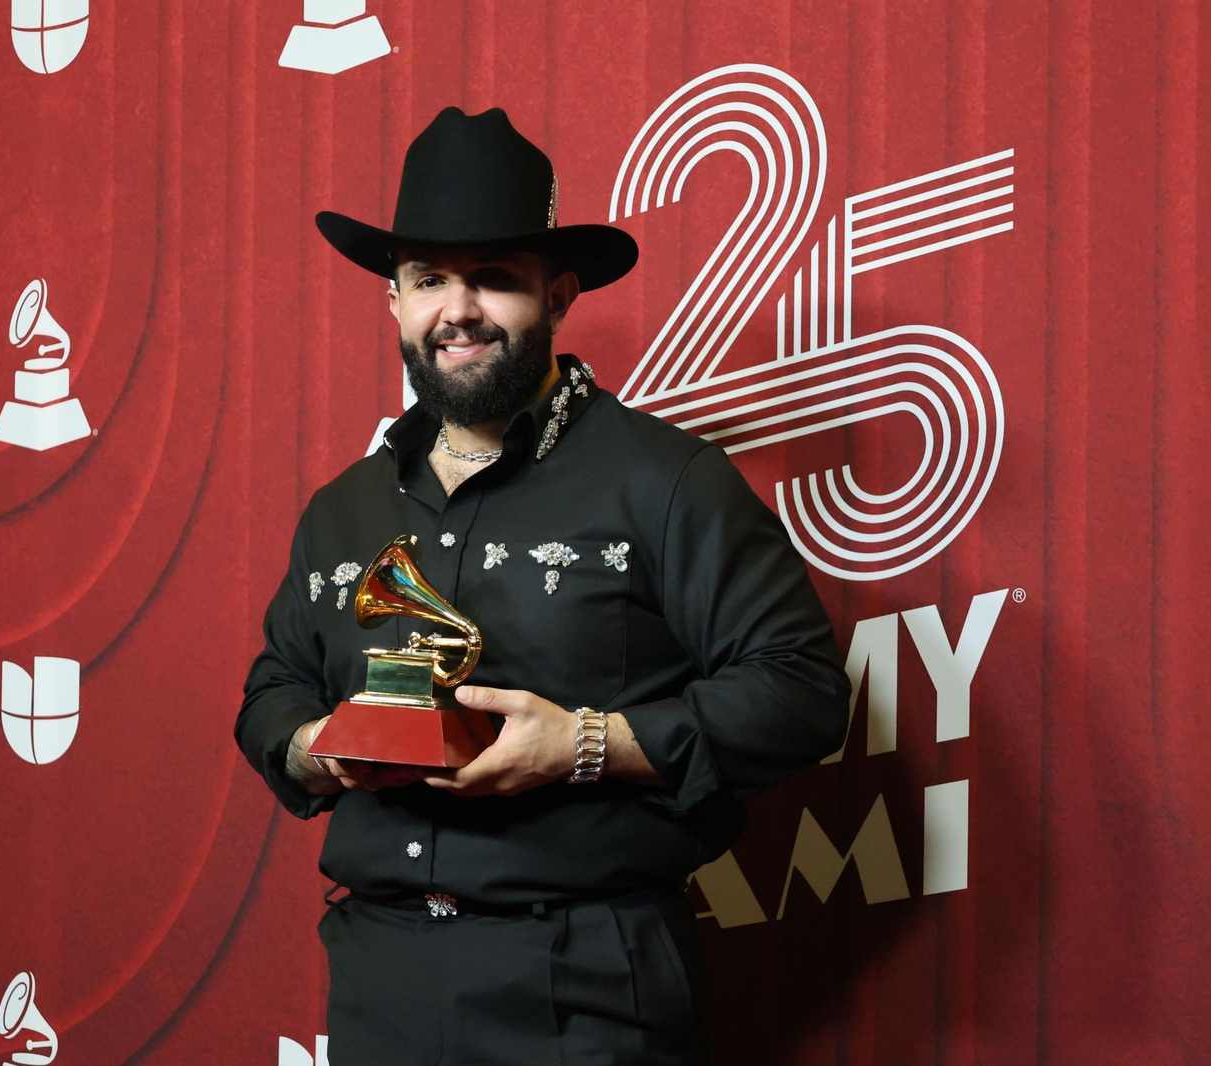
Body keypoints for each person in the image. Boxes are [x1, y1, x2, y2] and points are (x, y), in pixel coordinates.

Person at [235, 106, 851, 1066]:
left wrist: (586, 745)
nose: (457, 310)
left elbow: (802, 693)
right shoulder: (341, 509)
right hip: (379, 988)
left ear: (558, 296)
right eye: (428, 280)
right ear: (393, 302)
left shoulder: (668, 482)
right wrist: (315, 749)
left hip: (587, 987)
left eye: (494, 277)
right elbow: (275, 689)